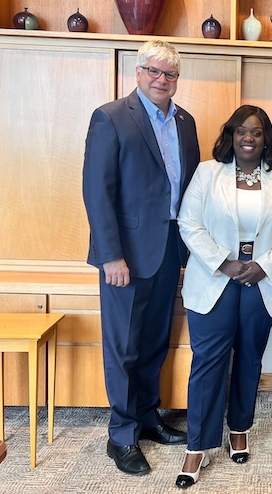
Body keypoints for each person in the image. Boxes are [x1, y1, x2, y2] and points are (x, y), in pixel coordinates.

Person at [175, 105, 272, 488]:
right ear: (230, 136)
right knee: (207, 362)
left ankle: (240, 428)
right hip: (214, 277)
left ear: (266, 139)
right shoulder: (207, 173)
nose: (248, 138)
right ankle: (198, 446)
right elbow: (189, 223)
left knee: (249, 358)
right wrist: (224, 263)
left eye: (256, 132)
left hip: (262, 280)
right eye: (241, 131)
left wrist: (264, 265)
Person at [82, 40, 200, 475]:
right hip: (125, 256)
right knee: (124, 347)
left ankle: (148, 418)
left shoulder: (185, 122)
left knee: (154, 342)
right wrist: (110, 256)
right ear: (138, 72)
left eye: (170, 74)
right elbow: (97, 192)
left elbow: (190, 187)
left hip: (170, 248)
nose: (161, 80)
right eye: (154, 71)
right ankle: (122, 435)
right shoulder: (111, 117)